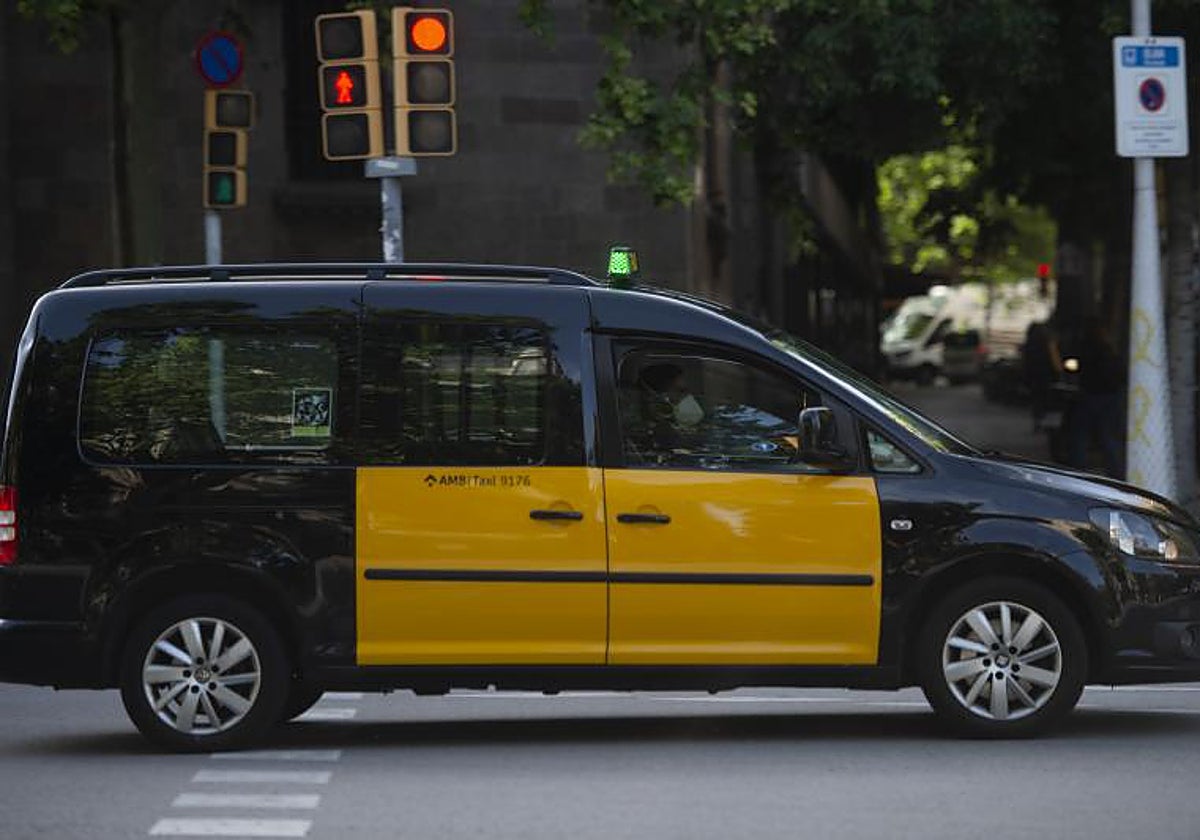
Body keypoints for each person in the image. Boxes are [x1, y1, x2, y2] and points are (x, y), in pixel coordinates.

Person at [1067, 317, 1123, 478]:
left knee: (1080, 434)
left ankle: (1078, 469)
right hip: (1110, 395)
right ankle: (1115, 472)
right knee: (1107, 436)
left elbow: (1076, 367)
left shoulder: (1087, 348)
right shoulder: (1109, 349)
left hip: (1091, 394)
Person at [1022, 321, 1062, 432]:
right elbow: (1055, 362)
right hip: (1047, 376)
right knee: (1047, 401)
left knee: (1037, 401)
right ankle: (1047, 424)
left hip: (1034, 377)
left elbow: (1026, 363)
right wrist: (1058, 373)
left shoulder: (1029, 345)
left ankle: (1038, 422)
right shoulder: (1048, 344)